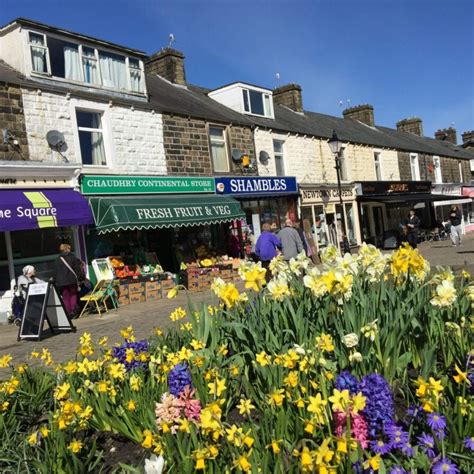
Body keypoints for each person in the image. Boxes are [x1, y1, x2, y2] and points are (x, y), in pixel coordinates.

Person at [53, 243, 84, 318]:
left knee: (65, 296)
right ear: (68, 249)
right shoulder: (73, 258)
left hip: (61, 282)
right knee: (73, 294)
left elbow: (55, 272)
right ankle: (74, 311)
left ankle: (68, 313)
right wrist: (81, 278)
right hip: (71, 281)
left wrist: (56, 281)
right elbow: (78, 270)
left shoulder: (57, 260)